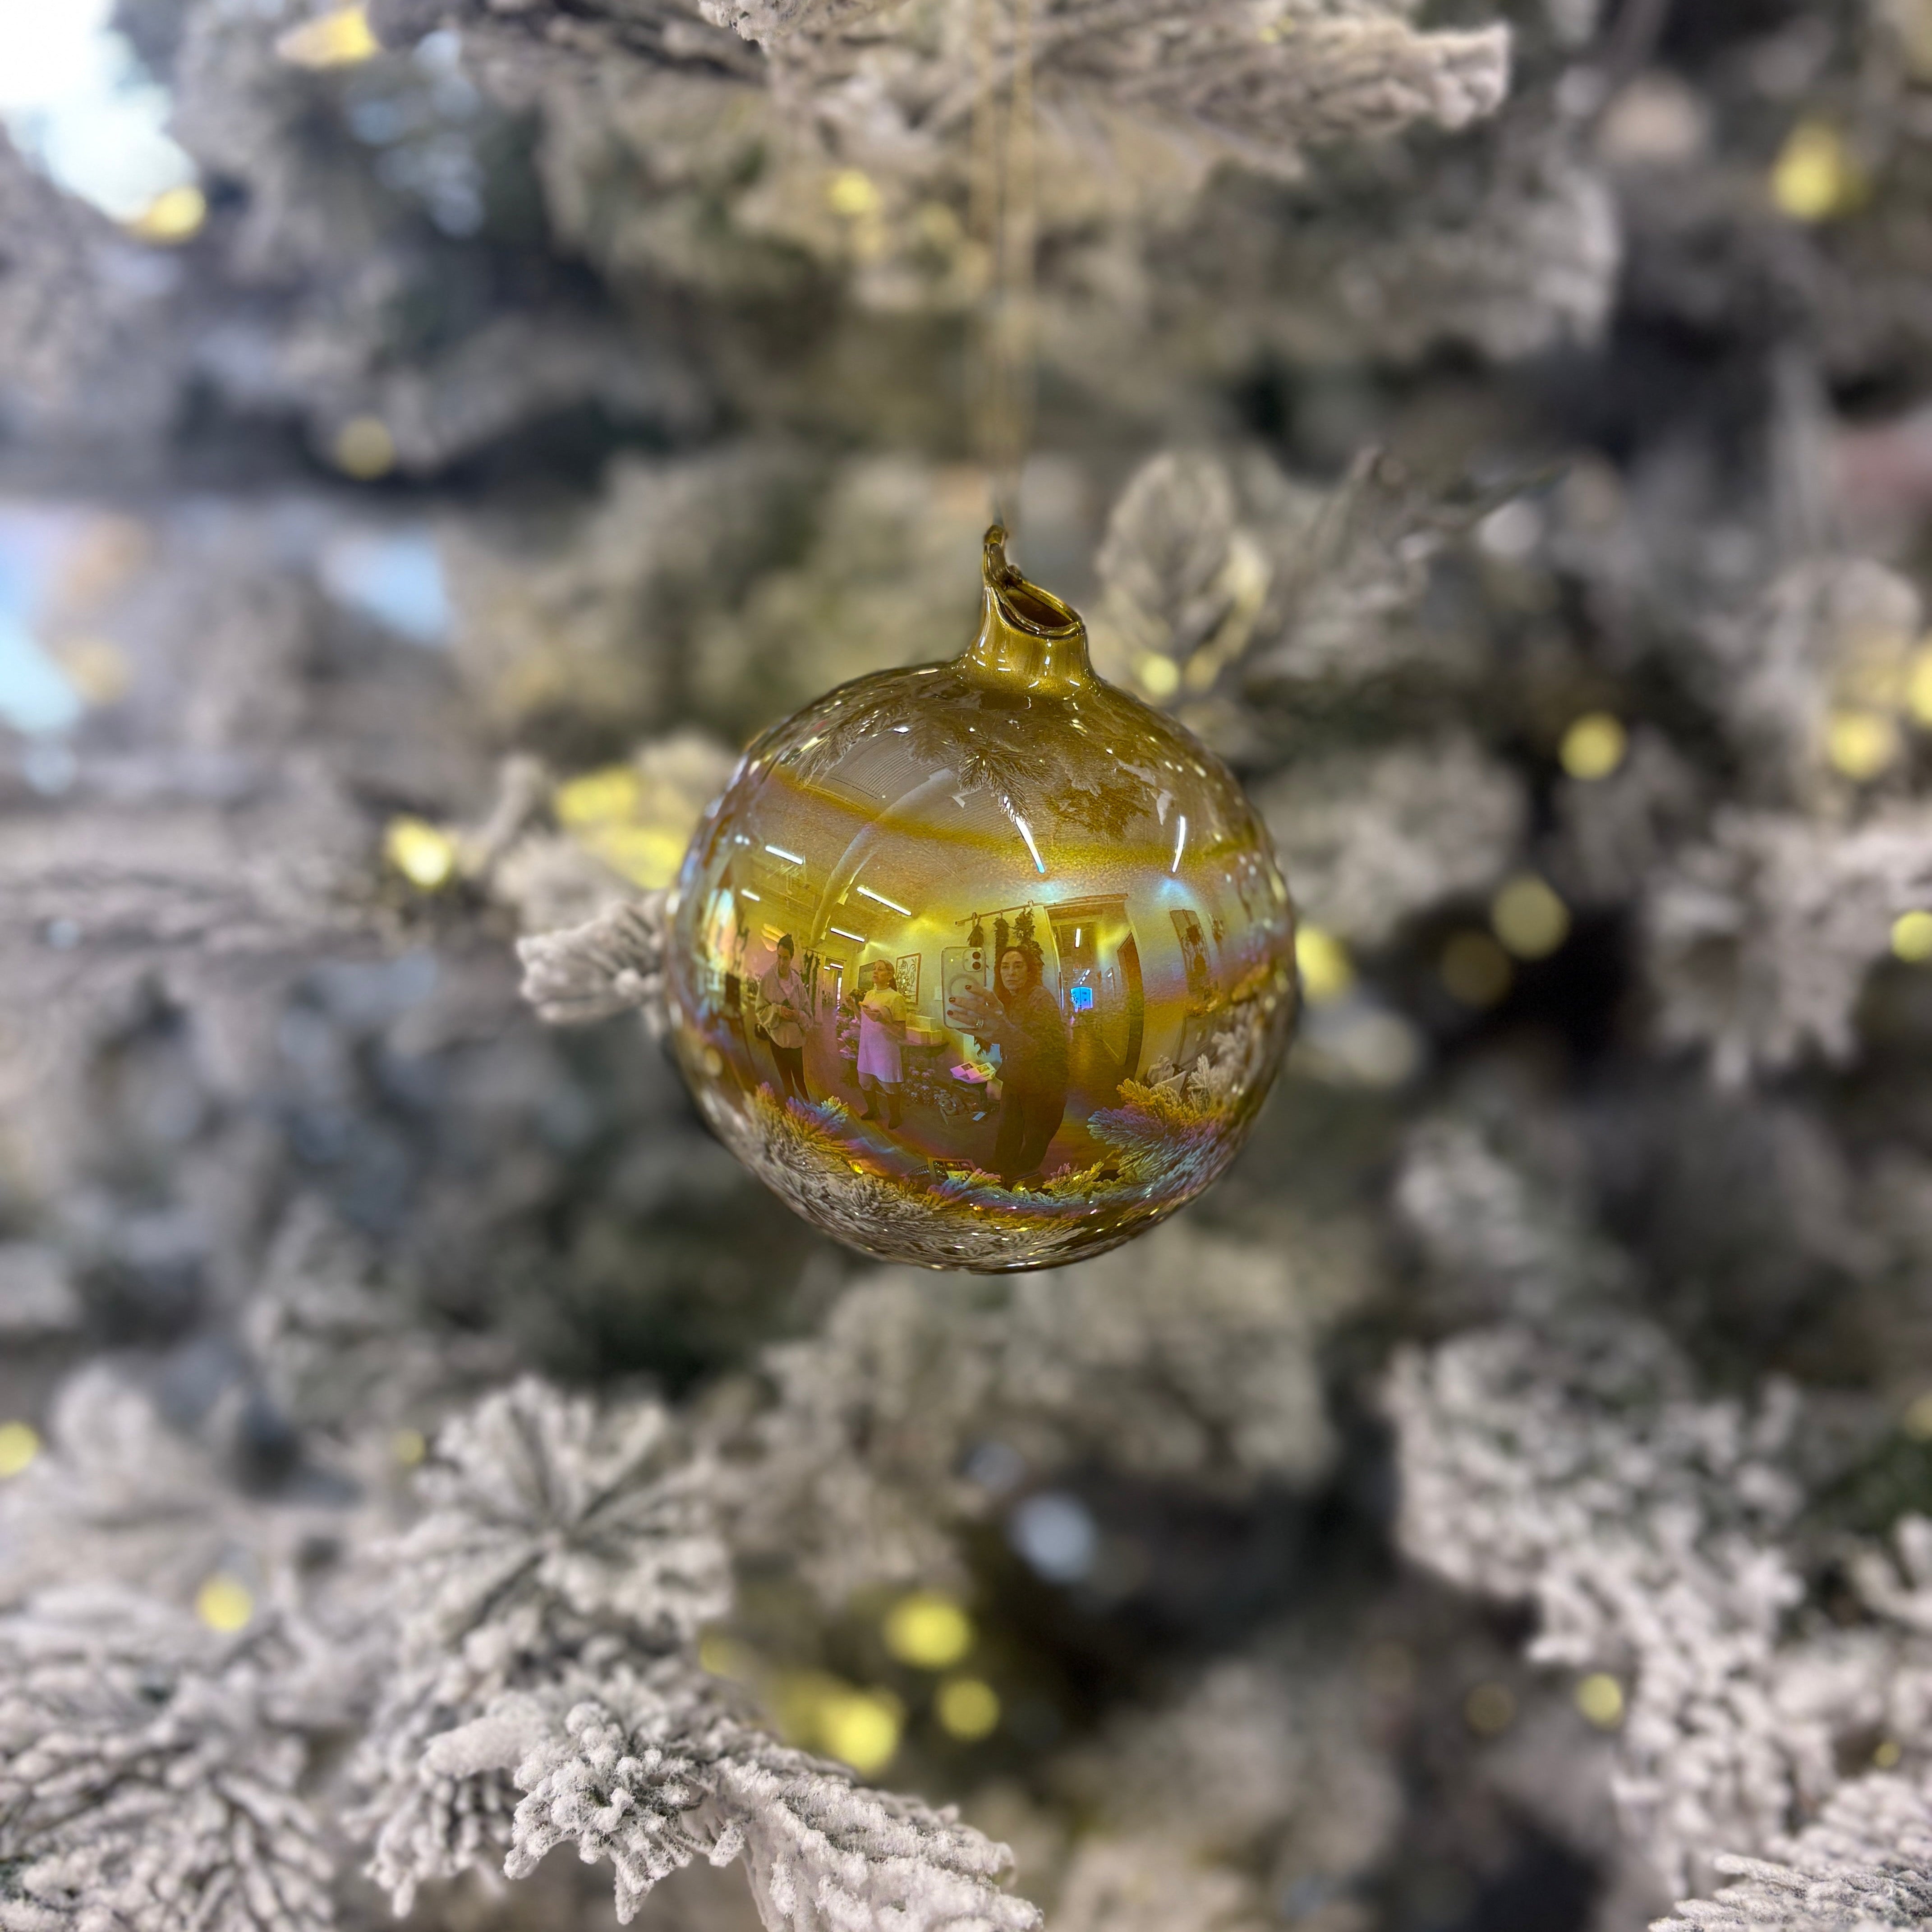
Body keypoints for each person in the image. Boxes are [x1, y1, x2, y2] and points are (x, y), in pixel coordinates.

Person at [961, 946, 1069, 1187]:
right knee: (1008, 1128)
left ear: (1029, 971)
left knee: (1035, 1138)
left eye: (1018, 966)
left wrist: (1003, 1032)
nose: (1011, 972)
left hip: (1044, 1083)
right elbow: (1011, 1040)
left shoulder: (1039, 997)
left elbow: (1042, 1049)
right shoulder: (1008, 1000)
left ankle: (1020, 1180)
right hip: (1017, 1077)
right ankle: (1001, 1169)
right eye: (1005, 967)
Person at [757, 935, 812, 1104]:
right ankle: (793, 1111)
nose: (782, 963)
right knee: (787, 1081)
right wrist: (778, 1010)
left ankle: (809, 1107)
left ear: (792, 958)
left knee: (800, 1079)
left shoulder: (797, 982)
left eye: (786, 958)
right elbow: (761, 1010)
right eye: (779, 957)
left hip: (795, 1041)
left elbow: (808, 1014)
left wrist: (798, 1015)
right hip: (777, 1041)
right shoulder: (768, 979)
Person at [856, 960, 908, 1127]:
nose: (875, 972)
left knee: (889, 1084)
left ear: (890, 975)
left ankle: (896, 1116)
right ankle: (873, 1110)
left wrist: (883, 1020)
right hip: (867, 1047)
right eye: (874, 969)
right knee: (865, 1081)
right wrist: (853, 1008)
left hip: (885, 1049)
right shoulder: (869, 995)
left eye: (880, 969)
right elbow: (864, 1021)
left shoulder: (896, 998)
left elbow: (901, 1033)